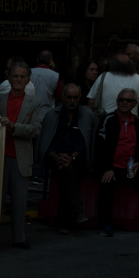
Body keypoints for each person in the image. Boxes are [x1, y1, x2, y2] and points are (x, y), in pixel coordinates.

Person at [94, 88, 139, 237]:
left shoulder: (138, 122)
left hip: (132, 167)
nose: (124, 102)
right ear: (117, 101)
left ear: (134, 104)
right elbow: (100, 147)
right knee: (106, 186)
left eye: (128, 100)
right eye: (121, 99)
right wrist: (107, 168)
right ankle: (105, 225)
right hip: (112, 166)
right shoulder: (108, 120)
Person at [0, 62, 44, 248]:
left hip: (20, 158)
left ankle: (19, 238)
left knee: (20, 202)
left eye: (22, 77)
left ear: (28, 80)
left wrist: (13, 125)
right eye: (16, 76)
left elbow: (35, 130)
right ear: (9, 78)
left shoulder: (34, 102)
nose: (19, 79)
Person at [37, 83, 94, 233]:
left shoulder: (86, 115)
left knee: (67, 173)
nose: (72, 101)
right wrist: (58, 157)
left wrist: (72, 158)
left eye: (75, 98)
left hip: (77, 158)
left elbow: (85, 142)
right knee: (66, 172)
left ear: (80, 98)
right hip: (55, 157)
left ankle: (63, 222)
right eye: (69, 97)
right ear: (63, 97)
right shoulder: (52, 115)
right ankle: (78, 212)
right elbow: (46, 143)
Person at [88, 54, 139, 124]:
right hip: (130, 123)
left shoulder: (104, 76)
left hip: (107, 122)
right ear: (130, 64)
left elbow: (91, 101)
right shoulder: (138, 79)